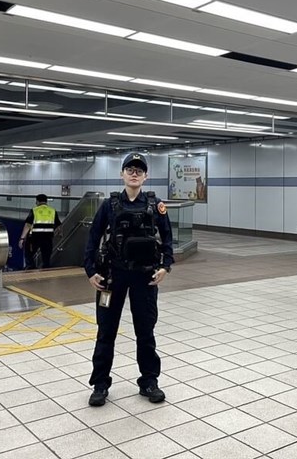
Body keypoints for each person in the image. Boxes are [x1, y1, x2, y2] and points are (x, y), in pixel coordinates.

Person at [84, 153, 174, 407]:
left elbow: (167, 238)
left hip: (145, 278)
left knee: (145, 332)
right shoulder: (109, 205)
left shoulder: (155, 205)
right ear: (122, 174)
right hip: (112, 277)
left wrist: (166, 266)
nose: (134, 173)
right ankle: (100, 384)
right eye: (130, 169)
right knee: (106, 332)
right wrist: (90, 271)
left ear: (146, 176)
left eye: (139, 170)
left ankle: (149, 381)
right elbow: (92, 238)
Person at [18, 194, 61, 269]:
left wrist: (22, 238)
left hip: (34, 238)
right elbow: (58, 225)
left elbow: (28, 225)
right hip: (48, 238)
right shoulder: (52, 211)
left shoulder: (34, 210)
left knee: (28, 253)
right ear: (46, 201)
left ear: (37, 201)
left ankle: (31, 268)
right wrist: (60, 233)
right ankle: (45, 273)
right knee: (46, 258)